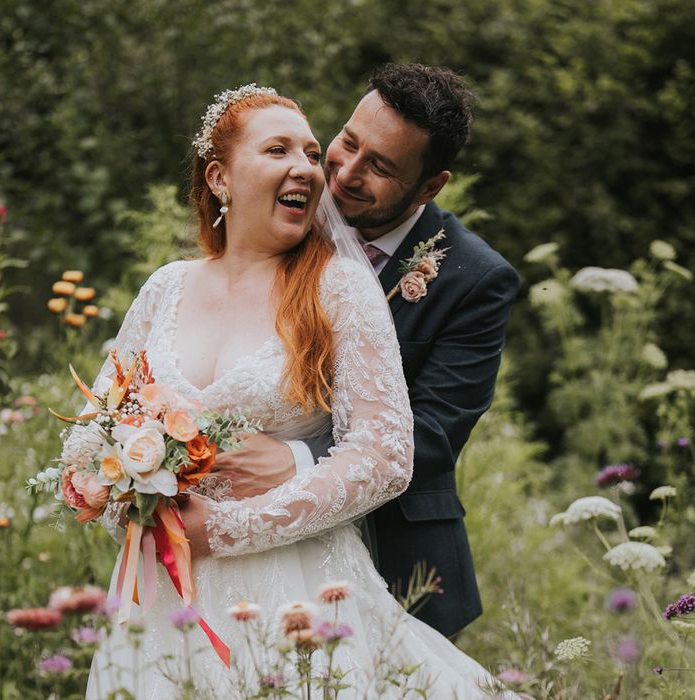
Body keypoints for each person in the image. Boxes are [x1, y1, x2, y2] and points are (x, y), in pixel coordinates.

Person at [67, 85, 514, 698]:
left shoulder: (349, 286)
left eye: (378, 165)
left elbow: (397, 449)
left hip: (300, 580)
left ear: (428, 185)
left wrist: (228, 523)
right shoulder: (167, 286)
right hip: (157, 588)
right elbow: (96, 430)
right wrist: (115, 487)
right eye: (333, 146)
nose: (324, 169)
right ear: (219, 178)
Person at [209, 64, 521, 638]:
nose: (346, 172)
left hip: (396, 559)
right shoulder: (284, 215)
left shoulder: (476, 279)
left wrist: (297, 459)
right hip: (246, 563)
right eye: (348, 143)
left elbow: (435, 430)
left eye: (379, 166)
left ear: (430, 186)